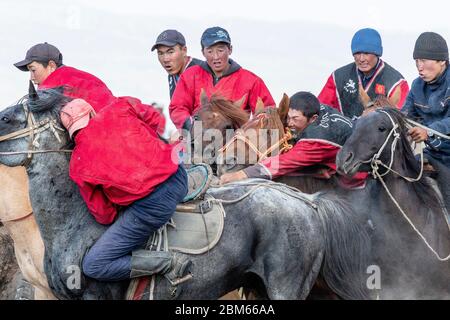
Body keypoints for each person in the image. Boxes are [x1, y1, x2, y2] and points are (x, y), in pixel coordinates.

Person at [59, 97, 190, 282]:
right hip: (179, 176)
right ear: (91, 112)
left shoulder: (77, 165)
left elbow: (104, 215)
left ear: (70, 131)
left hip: (153, 207)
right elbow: (154, 118)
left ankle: (168, 263)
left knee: (93, 265)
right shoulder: (120, 106)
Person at [220, 91, 368, 188]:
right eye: (288, 117)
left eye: (295, 119)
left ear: (313, 118)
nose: (290, 123)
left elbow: (283, 163)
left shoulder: (316, 141)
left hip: (358, 181)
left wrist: (240, 174)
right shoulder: (320, 108)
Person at [169, 26, 275, 130]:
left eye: (220, 50)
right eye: (210, 51)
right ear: (203, 52)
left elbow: (268, 111)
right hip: (196, 138)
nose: (216, 57)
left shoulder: (251, 81)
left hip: (234, 141)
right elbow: (177, 107)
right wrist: (189, 124)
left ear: (230, 50)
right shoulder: (190, 75)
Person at [318, 28, 409, 119]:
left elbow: (401, 118)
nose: (361, 59)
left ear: (377, 53)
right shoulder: (338, 77)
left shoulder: (396, 82)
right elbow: (320, 108)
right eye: (357, 53)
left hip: (376, 132)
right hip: (342, 132)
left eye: (366, 53)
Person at [14, 42, 116, 112]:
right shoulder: (73, 75)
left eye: (33, 70)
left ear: (51, 66)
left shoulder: (56, 83)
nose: (31, 77)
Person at [402, 32, 450, 169]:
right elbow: (404, 116)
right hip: (433, 153)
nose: (419, 67)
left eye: (423, 60)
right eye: (416, 61)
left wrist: (428, 131)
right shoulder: (417, 85)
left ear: (442, 61)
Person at [151, 29, 202, 99]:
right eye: (160, 53)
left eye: (170, 52)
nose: (165, 59)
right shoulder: (173, 75)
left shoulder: (201, 71)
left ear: (184, 50)